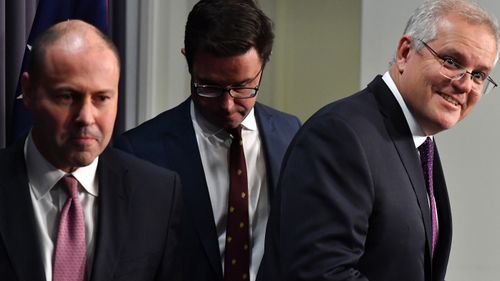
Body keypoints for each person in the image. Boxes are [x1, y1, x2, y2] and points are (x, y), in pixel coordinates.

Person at [258, 1, 499, 281]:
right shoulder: (340, 135)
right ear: (405, 53)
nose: (465, 84)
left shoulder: (417, 141)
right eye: (451, 61)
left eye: (479, 75)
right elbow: (322, 273)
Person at [113, 0, 301, 280]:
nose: (227, 104)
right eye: (209, 87)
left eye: (243, 87)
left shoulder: (291, 132)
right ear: (187, 59)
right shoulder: (138, 151)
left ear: (264, 61)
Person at [0, 20, 182, 281]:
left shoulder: (157, 195)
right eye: (67, 97)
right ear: (28, 92)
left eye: (102, 98)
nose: (86, 117)